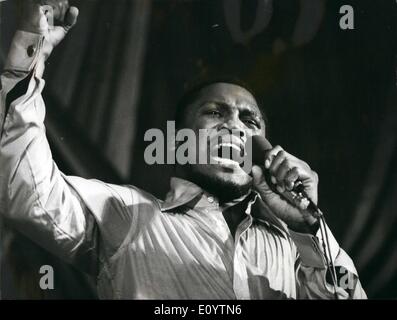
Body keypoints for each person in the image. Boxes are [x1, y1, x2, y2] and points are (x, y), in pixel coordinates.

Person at [0, 1, 366, 299]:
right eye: (215, 112)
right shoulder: (126, 214)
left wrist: (309, 228)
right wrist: (30, 54)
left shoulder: (294, 249)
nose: (235, 126)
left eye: (249, 121)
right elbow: (27, 193)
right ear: (179, 143)